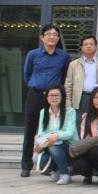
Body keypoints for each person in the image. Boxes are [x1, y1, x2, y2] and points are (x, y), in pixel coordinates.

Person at [21, 24, 70, 177]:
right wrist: (36, 86)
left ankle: (49, 165)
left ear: (58, 38)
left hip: (54, 98)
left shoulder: (63, 56)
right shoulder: (33, 54)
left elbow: (64, 76)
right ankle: (26, 165)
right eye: (48, 34)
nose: (51, 37)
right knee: (30, 130)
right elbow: (27, 74)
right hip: (35, 95)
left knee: (52, 129)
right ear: (42, 37)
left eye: (55, 34)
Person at [33, 84, 77, 185]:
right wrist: (38, 144)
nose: (54, 98)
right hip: (49, 143)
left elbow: (70, 133)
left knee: (54, 147)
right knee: (36, 157)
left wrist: (56, 135)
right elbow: (41, 133)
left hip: (68, 146)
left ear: (62, 97)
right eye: (51, 95)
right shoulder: (43, 112)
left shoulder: (70, 111)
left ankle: (65, 174)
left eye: (57, 95)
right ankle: (55, 171)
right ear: (47, 97)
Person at [65, 34, 98, 127]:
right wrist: (68, 102)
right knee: (79, 124)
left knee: (97, 124)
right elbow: (68, 85)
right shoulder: (74, 64)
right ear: (81, 47)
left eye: (91, 44)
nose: (89, 46)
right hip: (81, 98)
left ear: (96, 47)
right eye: (86, 44)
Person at [71, 86, 98, 185]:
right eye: (96, 98)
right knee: (78, 165)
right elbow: (84, 139)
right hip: (89, 149)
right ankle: (88, 174)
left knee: (95, 152)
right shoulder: (86, 117)